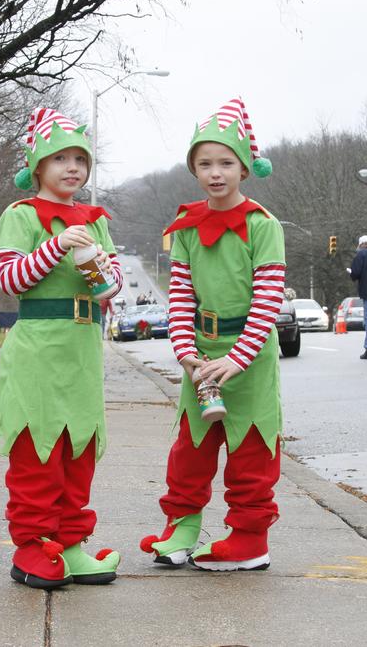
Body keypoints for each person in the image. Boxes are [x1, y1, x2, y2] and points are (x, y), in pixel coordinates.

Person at [139, 97, 286, 571]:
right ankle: (181, 529)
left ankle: (248, 541)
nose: (215, 173)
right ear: (193, 169)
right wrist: (186, 352)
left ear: (244, 167)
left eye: (226, 162)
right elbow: (179, 295)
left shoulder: (263, 226)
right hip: (201, 358)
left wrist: (237, 360)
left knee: (251, 450)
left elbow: (266, 303)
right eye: (204, 164)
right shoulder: (185, 228)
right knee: (191, 448)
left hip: (248, 356)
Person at [0, 107, 124, 589]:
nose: (73, 167)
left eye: (80, 160)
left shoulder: (96, 220)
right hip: (38, 351)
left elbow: (111, 288)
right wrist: (56, 245)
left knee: (78, 448)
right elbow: (11, 280)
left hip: (83, 351)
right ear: (38, 166)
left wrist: (104, 271)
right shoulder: (20, 215)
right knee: (37, 448)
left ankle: (71, 544)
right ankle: (32, 547)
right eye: (61, 158)